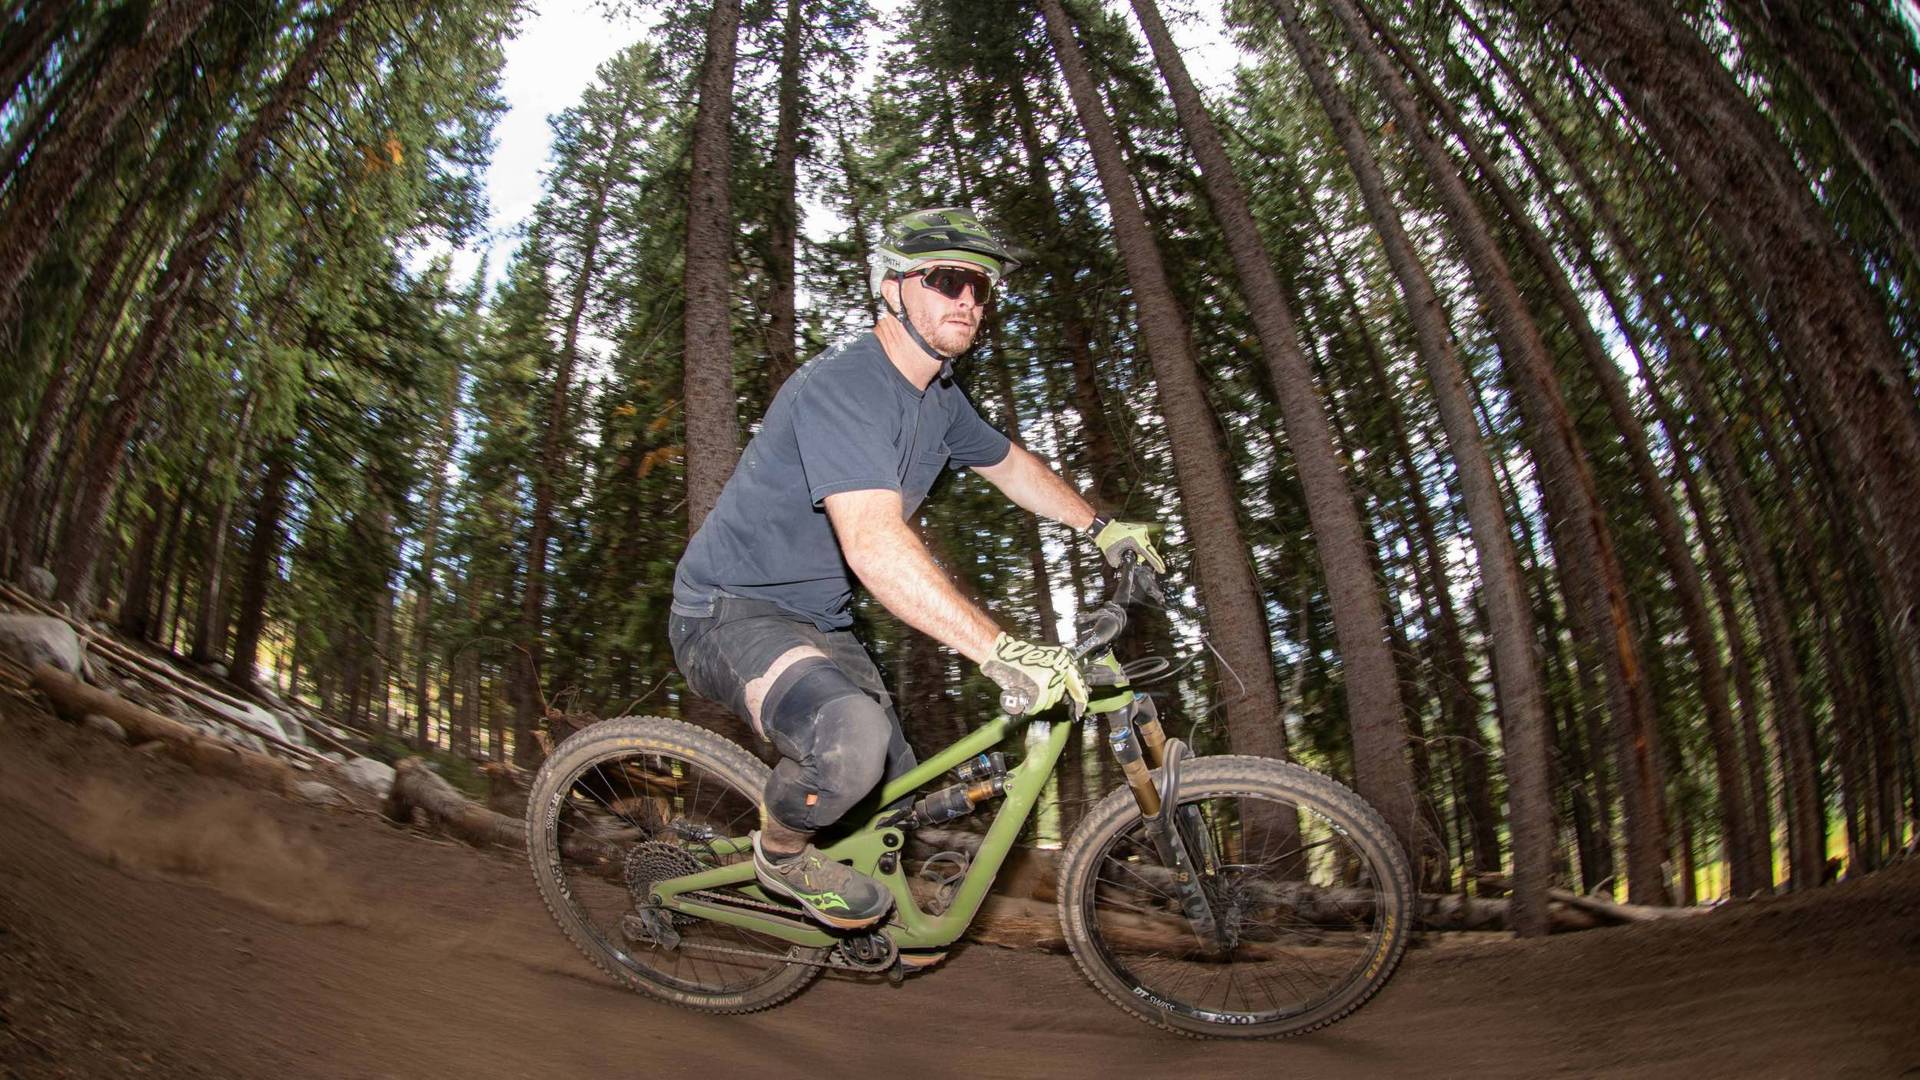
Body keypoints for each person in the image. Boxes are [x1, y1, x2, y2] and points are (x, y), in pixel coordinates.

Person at [668, 207, 1165, 930]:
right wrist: (998, 651)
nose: (969, 300)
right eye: (948, 279)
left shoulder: (939, 399)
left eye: (982, 288)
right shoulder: (844, 386)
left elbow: (1011, 465)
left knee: (897, 793)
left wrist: (1100, 526)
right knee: (851, 744)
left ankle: (861, 929)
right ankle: (780, 856)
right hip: (727, 610)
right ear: (892, 287)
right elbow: (872, 543)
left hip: (818, 621)